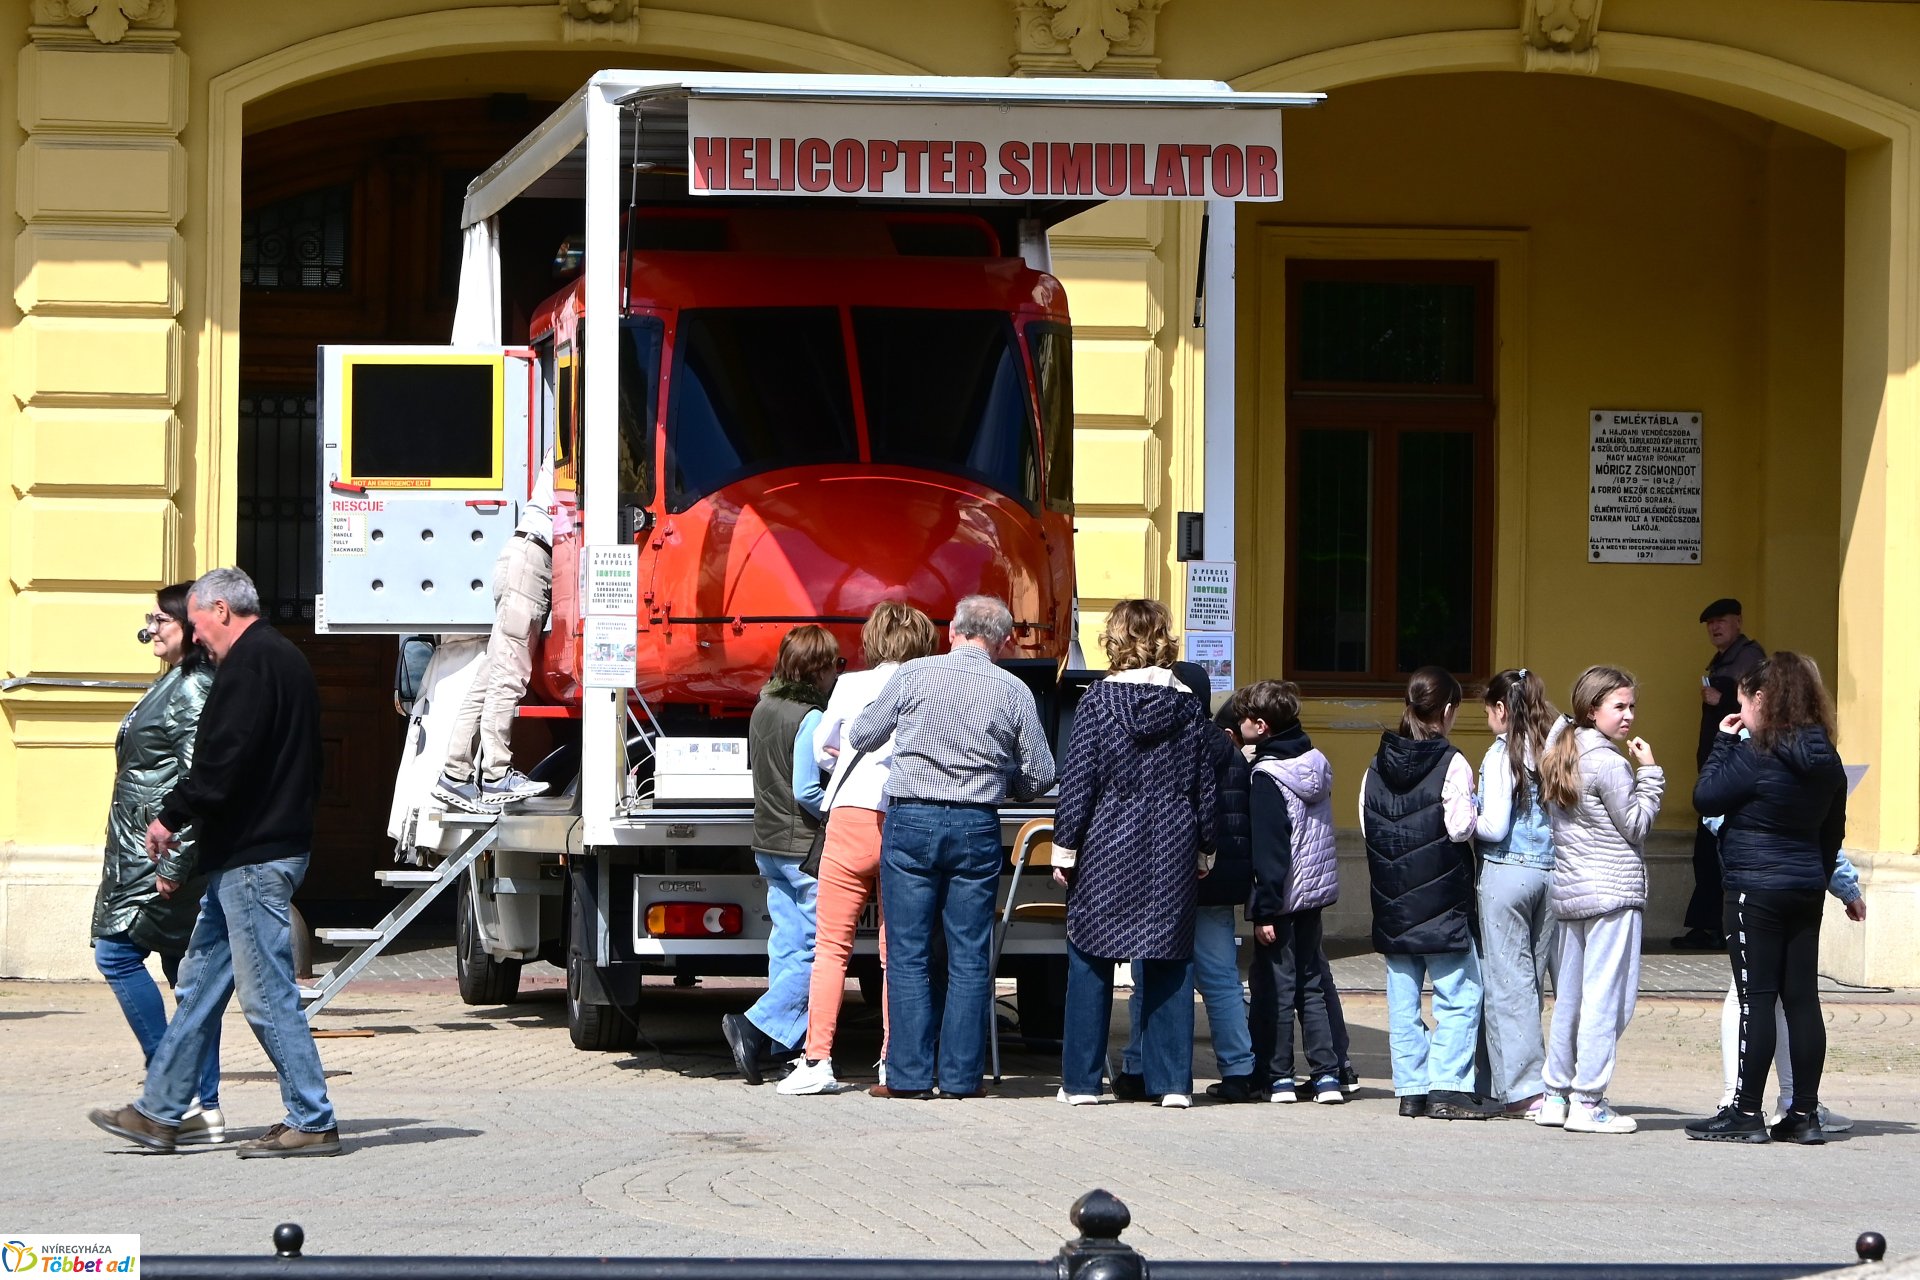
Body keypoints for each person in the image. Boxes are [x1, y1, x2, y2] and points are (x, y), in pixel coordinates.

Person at [88, 567, 339, 1157]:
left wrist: (170, 816)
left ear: (222, 610)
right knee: (197, 986)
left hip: (255, 857)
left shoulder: (250, 664)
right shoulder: (285, 658)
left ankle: (312, 1117)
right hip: (249, 855)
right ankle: (159, 1112)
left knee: (266, 996)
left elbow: (221, 760)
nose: (196, 637)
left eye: (197, 622)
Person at [848, 595, 1056, 1100]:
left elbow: (861, 735)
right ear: (1003, 641)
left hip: (912, 819)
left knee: (909, 952)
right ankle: (963, 1079)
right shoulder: (1013, 690)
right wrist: (1001, 780)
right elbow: (1041, 774)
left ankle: (908, 1077)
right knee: (968, 955)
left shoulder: (915, 674)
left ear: (953, 632)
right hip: (974, 824)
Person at [1051, 601, 1214, 1108]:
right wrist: (1206, 847)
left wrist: (1065, 847)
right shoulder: (1188, 704)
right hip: (1170, 838)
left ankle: (1080, 1084)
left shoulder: (1097, 702)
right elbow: (1202, 783)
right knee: (1169, 960)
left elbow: (1079, 780)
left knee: (1090, 957)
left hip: (1107, 839)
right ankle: (1172, 1085)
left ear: (1116, 640)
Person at [1685, 653, 1847, 1145]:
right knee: (1802, 1000)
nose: (1741, 711)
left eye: (1743, 702)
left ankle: (1746, 1112)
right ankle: (1804, 1113)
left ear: (1761, 698)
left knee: (1757, 999)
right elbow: (1833, 831)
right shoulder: (1827, 758)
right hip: (1803, 888)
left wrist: (1722, 741)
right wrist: (1815, 875)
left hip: (1755, 888)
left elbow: (1705, 797)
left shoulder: (1756, 754)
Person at [779, 603, 939, 1096]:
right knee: (900, 953)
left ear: (871, 641)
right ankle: (894, 1059)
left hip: (849, 816)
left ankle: (817, 1059)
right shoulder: (928, 684)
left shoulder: (849, 687)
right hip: (904, 818)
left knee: (831, 947)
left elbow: (822, 746)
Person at [89, 583, 224, 1143]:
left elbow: (200, 781)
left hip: (160, 856)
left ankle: (177, 1091)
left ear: (189, 628)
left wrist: (175, 864)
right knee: (182, 977)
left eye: (160, 617)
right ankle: (205, 1108)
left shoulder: (191, 688)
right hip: (142, 850)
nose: (151, 626)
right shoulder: (170, 683)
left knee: (116, 952)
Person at [1536, 664, 1663, 1136]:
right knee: (1608, 1000)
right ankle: (1588, 1101)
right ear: (1593, 709)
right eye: (1619, 706)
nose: (1629, 715)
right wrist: (1650, 774)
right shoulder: (1609, 762)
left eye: (1632, 706)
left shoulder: (1560, 751)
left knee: (1570, 997)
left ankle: (1555, 1095)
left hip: (1572, 893)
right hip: (1611, 893)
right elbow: (1636, 824)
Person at [1360, 666, 1488, 1122]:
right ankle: (1447, 1085)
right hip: (1442, 899)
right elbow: (1459, 828)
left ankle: (1410, 1089)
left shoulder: (1376, 762)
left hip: (1393, 899)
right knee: (1460, 994)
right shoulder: (1451, 761)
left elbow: (1366, 824)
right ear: (1449, 711)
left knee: (1402, 999)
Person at [1117, 697, 1259, 1104]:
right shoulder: (1230, 752)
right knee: (1221, 980)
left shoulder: (1166, 742)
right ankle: (1238, 1070)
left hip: (1165, 877)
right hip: (1216, 884)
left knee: (1149, 976)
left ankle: (1138, 1067)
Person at [723, 624, 841, 1086]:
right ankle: (752, 1026)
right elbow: (808, 789)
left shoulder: (762, 708)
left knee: (787, 945)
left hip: (767, 844)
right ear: (817, 669)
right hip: (802, 847)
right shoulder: (810, 716)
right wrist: (836, 807)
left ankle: (780, 1044)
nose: (837, 673)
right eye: (835, 664)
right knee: (817, 953)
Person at [431, 449, 556, 813]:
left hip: (523, 558)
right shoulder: (581, 440)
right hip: (534, 561)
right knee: (509, 677)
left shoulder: (568, 442)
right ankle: (496, 775)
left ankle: (455, 774)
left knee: (491, 676)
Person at [1711, 846, 1864, 1134]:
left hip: (1766, 877)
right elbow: (1825, 833)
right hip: (1774, 878)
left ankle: (1776, 1104)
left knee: (1769, 995)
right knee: (1761, 994)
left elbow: (1712, 808)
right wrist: (1846, 886)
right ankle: (1767, 1104)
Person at [1240, 679, 1344, 1106]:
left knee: (1279, 988)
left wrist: (1263, 908)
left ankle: (1280, 1076)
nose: (1238, 723)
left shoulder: (1266, 776)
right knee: (1312, 983)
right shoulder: (1314, 761)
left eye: (1244, 718)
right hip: (1314, 893)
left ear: (1261, 726)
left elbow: (1270, 849)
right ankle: (1327, 1077)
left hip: (1281, 898)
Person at [1474, 668, 1562, 1119]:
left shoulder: (1500, 754)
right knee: (1534, 983)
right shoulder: (1554, 747)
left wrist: (1464, 812)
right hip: (1550, 873)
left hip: (1507, 873)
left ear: (1502, 709)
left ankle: (1524, 1090)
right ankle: (1534, 1083)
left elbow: (1494, 826)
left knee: (1508, 985)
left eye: (1489, 710)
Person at [1677, 598, 1767, 949]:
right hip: (1719, 764)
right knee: (1707, 845)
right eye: (1710, 623)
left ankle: (1716, 926)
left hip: (1731, 766)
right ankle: (1707, 924)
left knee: (1714, 845)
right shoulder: (1726, 657)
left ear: (1739, 621)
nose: (1715, 628)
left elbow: (1755, 707)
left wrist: (1725, 699)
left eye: (1722, 621)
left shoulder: (1748, 657)